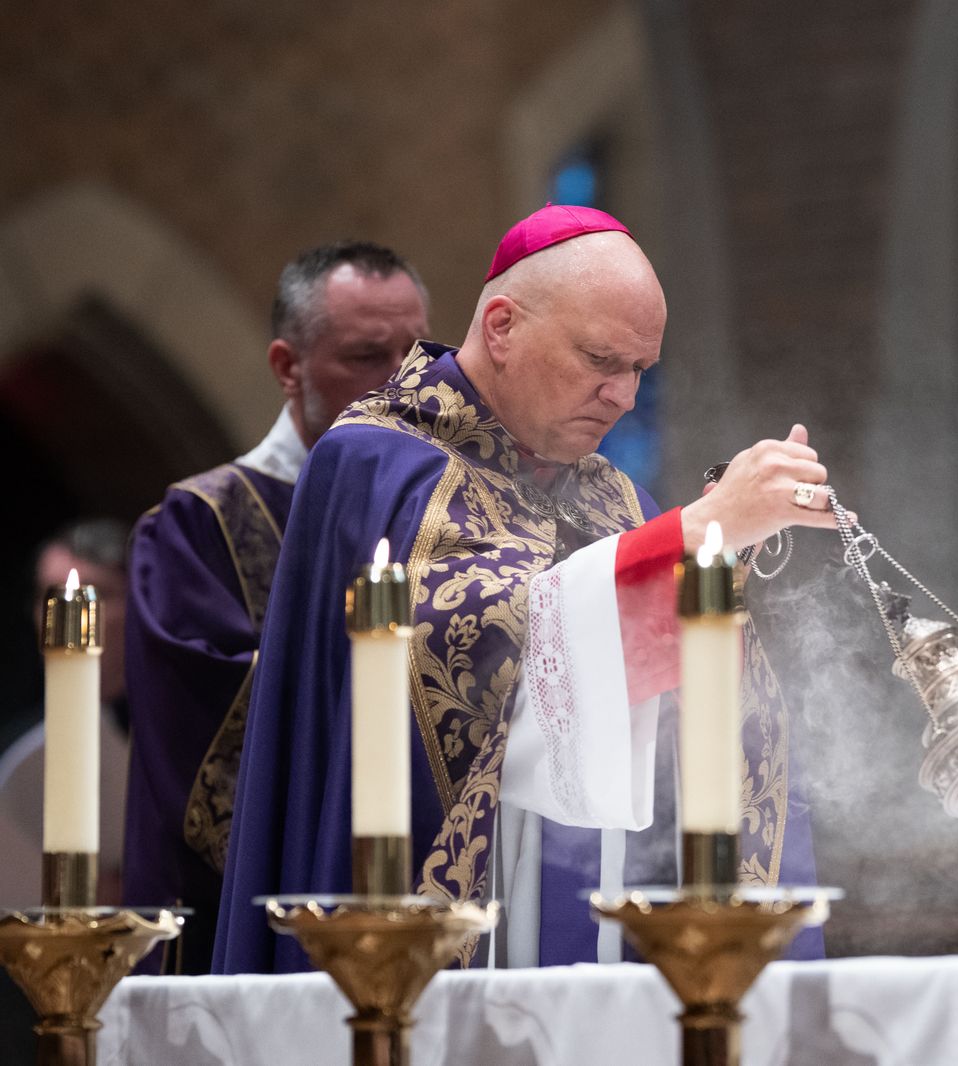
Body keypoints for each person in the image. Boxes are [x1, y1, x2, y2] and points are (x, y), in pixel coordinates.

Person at [215, 205, 835, 973]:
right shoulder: (373, 461)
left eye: (641, 369)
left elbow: (679, 716)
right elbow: (462, 656)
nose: (624, 396)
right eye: (601, 359)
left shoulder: (611, 493)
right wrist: (696, 533)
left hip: (589, 929)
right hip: (419, 937)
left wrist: (716, 564)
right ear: (502, 326)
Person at [123, 242, 429, 973]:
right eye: (364, 356)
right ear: (288, 368)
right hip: (239, 928)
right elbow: (210, 745)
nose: (401, 382)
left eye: (417, 352)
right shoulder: (198, 527)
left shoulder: (447, 514)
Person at [0, 520, 132, 908]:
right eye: (47, 596)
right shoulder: (16, 745)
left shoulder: (182, 734)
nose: (64, 617)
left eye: (94, 596)